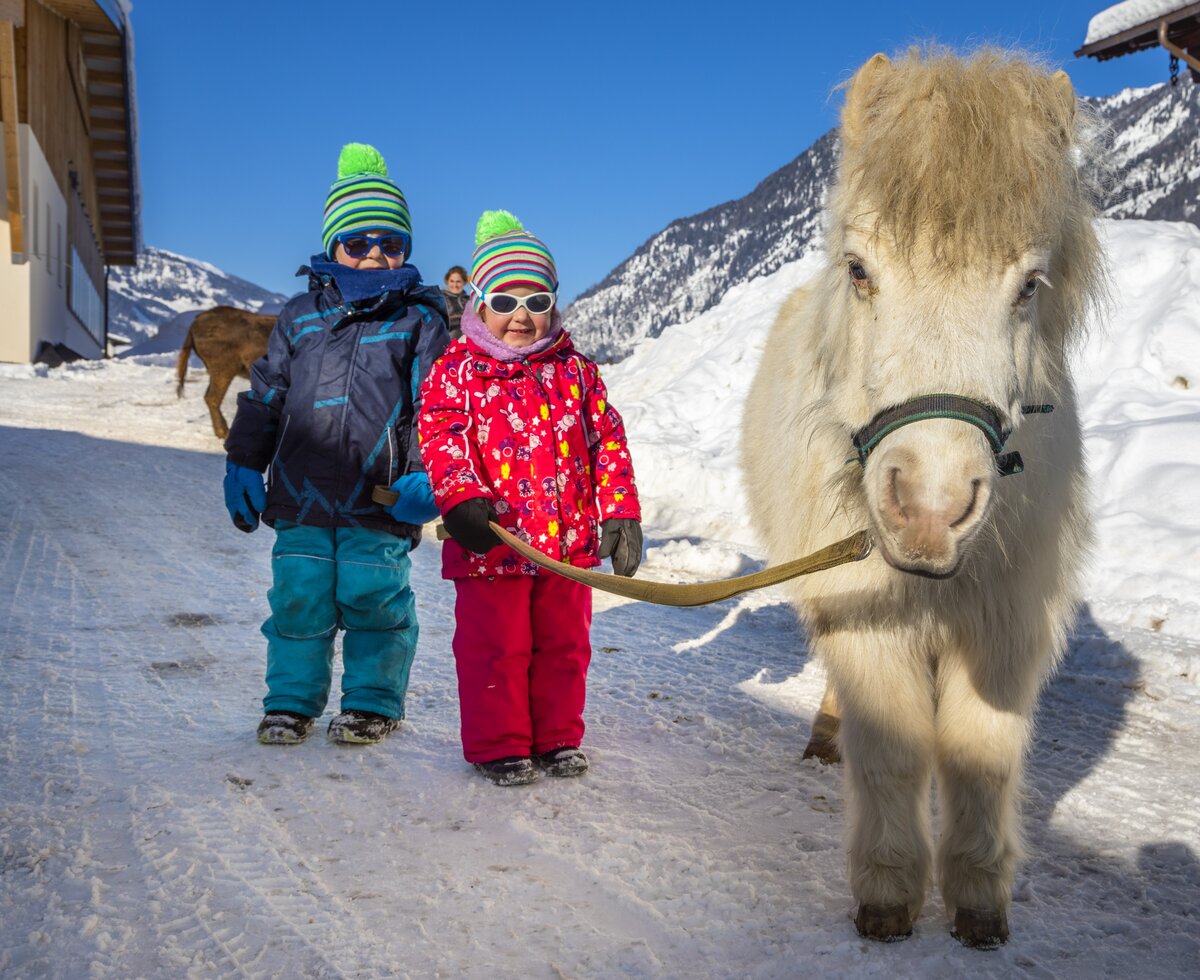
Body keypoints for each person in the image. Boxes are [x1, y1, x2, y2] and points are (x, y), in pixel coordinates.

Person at [223, 142, 450, 746]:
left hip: (379, 500)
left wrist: (432, 476)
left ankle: (373, 702)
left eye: (391, 243)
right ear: (333, 245)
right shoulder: (298, 315)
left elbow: (439, 405)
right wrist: (244, 462)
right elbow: (266, 393)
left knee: (374, 601)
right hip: (298, 496)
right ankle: (290, 702)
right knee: (298, 602)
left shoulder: (421, 320)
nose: (375, 255)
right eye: (358, 241)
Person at [418, 210, 643, 785]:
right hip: (491, 543)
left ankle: (558, 736)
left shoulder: (577, 372)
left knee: (565, 647)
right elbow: (442, 437)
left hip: (566, 549)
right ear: (478, 303)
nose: (522, 315)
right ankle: (500, 744)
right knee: (497, 649)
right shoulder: (455, 372)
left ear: (553, 306)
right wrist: (459, 495)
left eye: (536, 300)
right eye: (506, 298)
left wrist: (619, 509)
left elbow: (606, 441)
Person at [441, 265, 469, 340]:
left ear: (464, 282)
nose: (455, 285)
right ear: (447, 282)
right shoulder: (441, 298)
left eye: (458, 281)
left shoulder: (469, 301)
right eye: (452, 281)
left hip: (467, 343)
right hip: (447, 342)